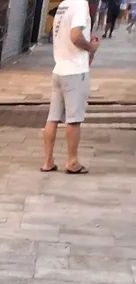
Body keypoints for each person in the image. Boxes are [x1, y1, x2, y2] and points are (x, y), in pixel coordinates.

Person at [42, 0, 100, 174]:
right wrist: (91, 47)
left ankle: (47, 161)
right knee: (74, 119)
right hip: (75, 71)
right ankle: (72, 161)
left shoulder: (63, 6)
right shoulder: (80, 4)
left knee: (53, 118)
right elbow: (75, 36)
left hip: (59, 69)